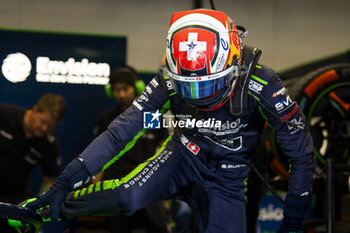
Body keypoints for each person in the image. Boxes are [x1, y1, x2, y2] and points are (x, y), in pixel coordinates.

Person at [24, 9, 316, 233]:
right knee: (128, 198)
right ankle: (48, 209)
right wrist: (63, 183)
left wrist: (291, 224)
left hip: (229, 177)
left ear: (233, 62)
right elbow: (121, 132)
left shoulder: (262, 82)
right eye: (187, 86)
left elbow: (301, 152)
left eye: (206, 84)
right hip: (182, 155)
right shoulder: (167, 76)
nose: (198, 95)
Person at [89, 65, 169, 233]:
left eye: (125, 89)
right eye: (117, 90)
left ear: (137, 87)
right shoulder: (106, 118)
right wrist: (94, 188)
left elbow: (164, 148)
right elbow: (98, 155)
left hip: (146, 183)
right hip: (115, 185)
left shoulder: (151, 115)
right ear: (111, 91)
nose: (121, 94)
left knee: (159, 227)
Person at [0, 93, 66, 232]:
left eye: (50, 126)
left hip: (14, 201)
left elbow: (49, 182)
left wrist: (39, 205)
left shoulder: (50, 145)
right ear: (35, 109)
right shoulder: (4, 114)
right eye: (42, 122)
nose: (44, 129)